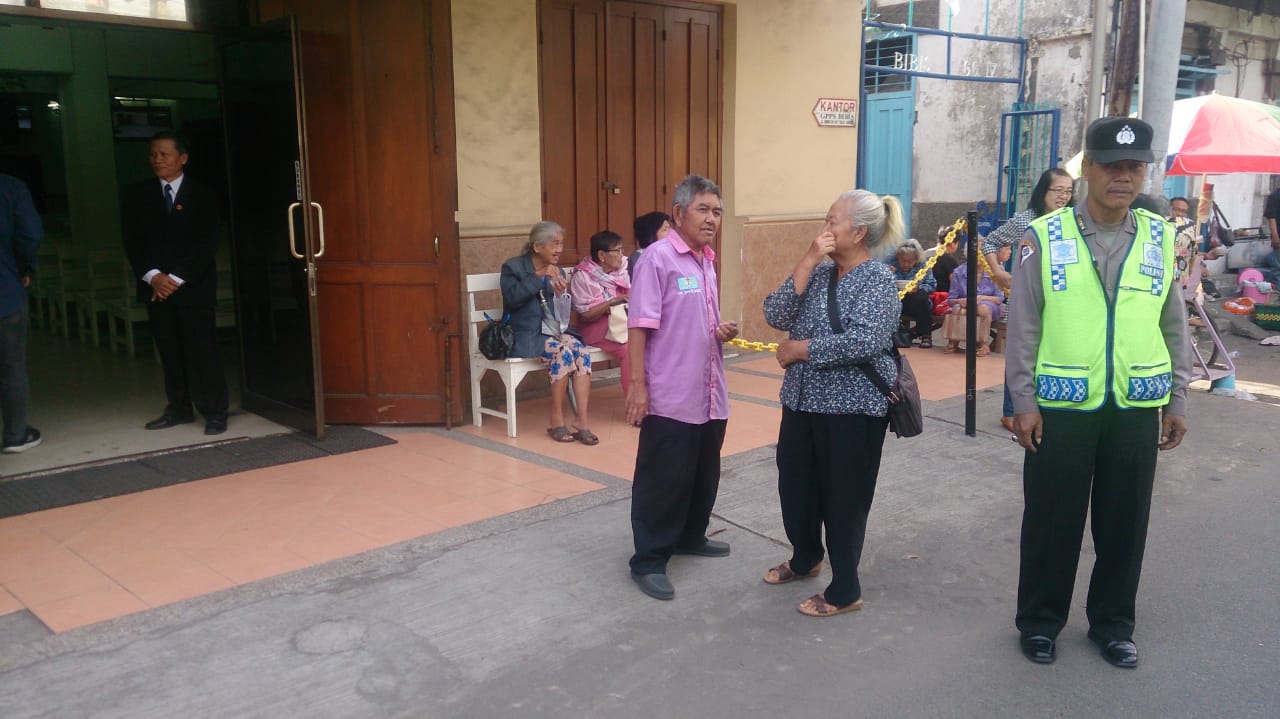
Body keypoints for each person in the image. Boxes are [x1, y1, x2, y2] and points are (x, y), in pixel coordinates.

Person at [1007, 117, 1190, 669]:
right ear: (1087, 168)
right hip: (1061, 405)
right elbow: (1024, 324)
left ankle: (1112, 625)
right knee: (1051, 520)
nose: (1123, 176)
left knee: (1125, 523)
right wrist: (1022, 401)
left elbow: (1174, 322)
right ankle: (1040, 622)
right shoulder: (1044, 236)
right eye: (1111, 166)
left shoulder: (1160, 237)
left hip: (1136, 405)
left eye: (1134, 167)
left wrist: (1178, 397)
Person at [761, 189, 904, 617]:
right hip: (802, 402)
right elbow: (775, 314)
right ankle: (806, 557)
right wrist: (807, 261)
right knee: (795, 486)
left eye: (831, 221)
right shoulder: (819, 273)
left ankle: (845, 588)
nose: (824, 228)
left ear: (858, 232)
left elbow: (866, 340)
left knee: (844, 497)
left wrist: (801, 349)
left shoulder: (878, 280)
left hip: (852, 409)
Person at [625, 174, 739, 601]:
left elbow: (692, 319)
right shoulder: (657, 259)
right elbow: (639, 326)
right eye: (702, 210)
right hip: (670, 393)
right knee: (663, 479)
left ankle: (691, 535)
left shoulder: (706, 260)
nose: (712, 219)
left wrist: (720, 330)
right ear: (678, 213)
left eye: (717, 212)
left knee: (703, 472)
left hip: (708, 391)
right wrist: (638, 386)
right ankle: (649, 560)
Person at [122, 131, 230, 436]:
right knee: (169, 352)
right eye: (153, 154)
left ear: (182, 158)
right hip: (156, 288)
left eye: (164, 154)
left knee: (202, 351)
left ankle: (214, 411)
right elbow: (132, 240)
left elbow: (208, 242)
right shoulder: (137, 194)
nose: (157, 160)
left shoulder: (205, 195)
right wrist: (154, 276)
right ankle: (179, 408)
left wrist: (176, 278)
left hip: (193, 287)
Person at [982, 167, 1074, 432]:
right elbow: (990, 242)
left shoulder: (1073, 221)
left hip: (1061, 301)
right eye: (1058, 190)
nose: (1063, 196)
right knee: (1021, 354)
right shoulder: (1028, 220)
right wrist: (999, 272)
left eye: (1068, 191)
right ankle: (1011, 412)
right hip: (1025, 300)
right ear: (1043, 191)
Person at [500, 221, 598, 445]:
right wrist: (539, 277)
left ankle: (582, 421)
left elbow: (560, 314)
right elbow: (512, 299)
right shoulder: (513, 268)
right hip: (524, 335)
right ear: (537, 246)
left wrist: (561, 295)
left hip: (551, 331)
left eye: (561, 244)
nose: (559, 249)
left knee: (581, 351)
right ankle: (556, 419)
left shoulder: (558, 271)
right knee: (562, 352)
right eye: (555, 244)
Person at [0, 173, 43, 453]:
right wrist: (24, 267)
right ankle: (15, 435)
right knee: (11, 366)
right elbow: (31, 234)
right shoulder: (11, 188)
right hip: (5, 289)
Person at [570, 230, 631, 397]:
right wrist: (611, 302)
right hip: (596, 329)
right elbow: (586, 315)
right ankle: (635, 404)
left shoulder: (623, 271)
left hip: (623, 324)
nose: (622, 255)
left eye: (622, 250)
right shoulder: (583, 277)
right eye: (617, 251)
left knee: (654, 341)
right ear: (602, 255)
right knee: (630, 349)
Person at [942, 244, 1009, 357]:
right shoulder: (958, 272)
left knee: (982, 308)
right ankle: (954, 341)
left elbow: (999, 298)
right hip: (966, 304)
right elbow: (951, 300)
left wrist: (981, 298)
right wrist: (960, 301)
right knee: (958, 309)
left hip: (990, 305)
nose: (978, 258)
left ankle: (983, 343)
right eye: (974, 254)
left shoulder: (996, 270)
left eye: (981, 254)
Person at [887, 239, 936, 348]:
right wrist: (888, 274)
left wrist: (918, 287)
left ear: (916, 260)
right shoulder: (890, 264)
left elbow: (932, 285)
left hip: (915, 301)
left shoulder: (923, 266)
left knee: (921, 296)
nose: (906, 264)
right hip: (895, 300)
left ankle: (925, 335)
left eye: (910, 262)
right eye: (903, 261)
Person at [628, 211, 670, 281]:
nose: (670, 233)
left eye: (669, 229)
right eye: (665, 230)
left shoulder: (669, 254)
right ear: (651, 235)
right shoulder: (640, 257)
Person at [1262, 184, 1280, 272]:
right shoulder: (1275, 196)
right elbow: (1271, 217)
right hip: (1279, 237)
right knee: (1278, 269)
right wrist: (1275, 236)